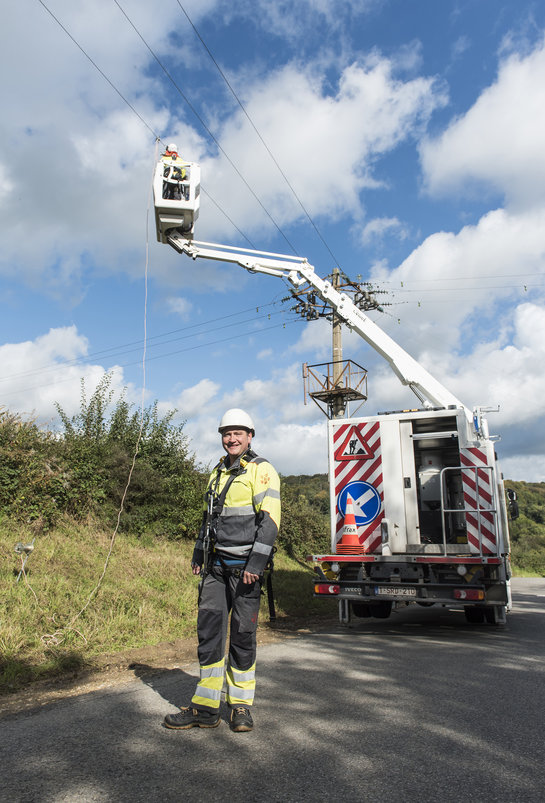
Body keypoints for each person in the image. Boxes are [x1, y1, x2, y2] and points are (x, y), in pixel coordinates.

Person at [163, 408, 281, 733]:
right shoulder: (216, 473)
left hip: (245, 571)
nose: (231, 438)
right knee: (210, 633)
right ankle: (206, 707)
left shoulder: (262, 470)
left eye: (238, 433)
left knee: (242, 636)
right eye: (227, 434)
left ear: (250, 436)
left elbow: (269, 522)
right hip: (215, 569)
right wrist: (199, 552)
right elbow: (208, 517)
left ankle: (240, 705)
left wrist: (256, 564)